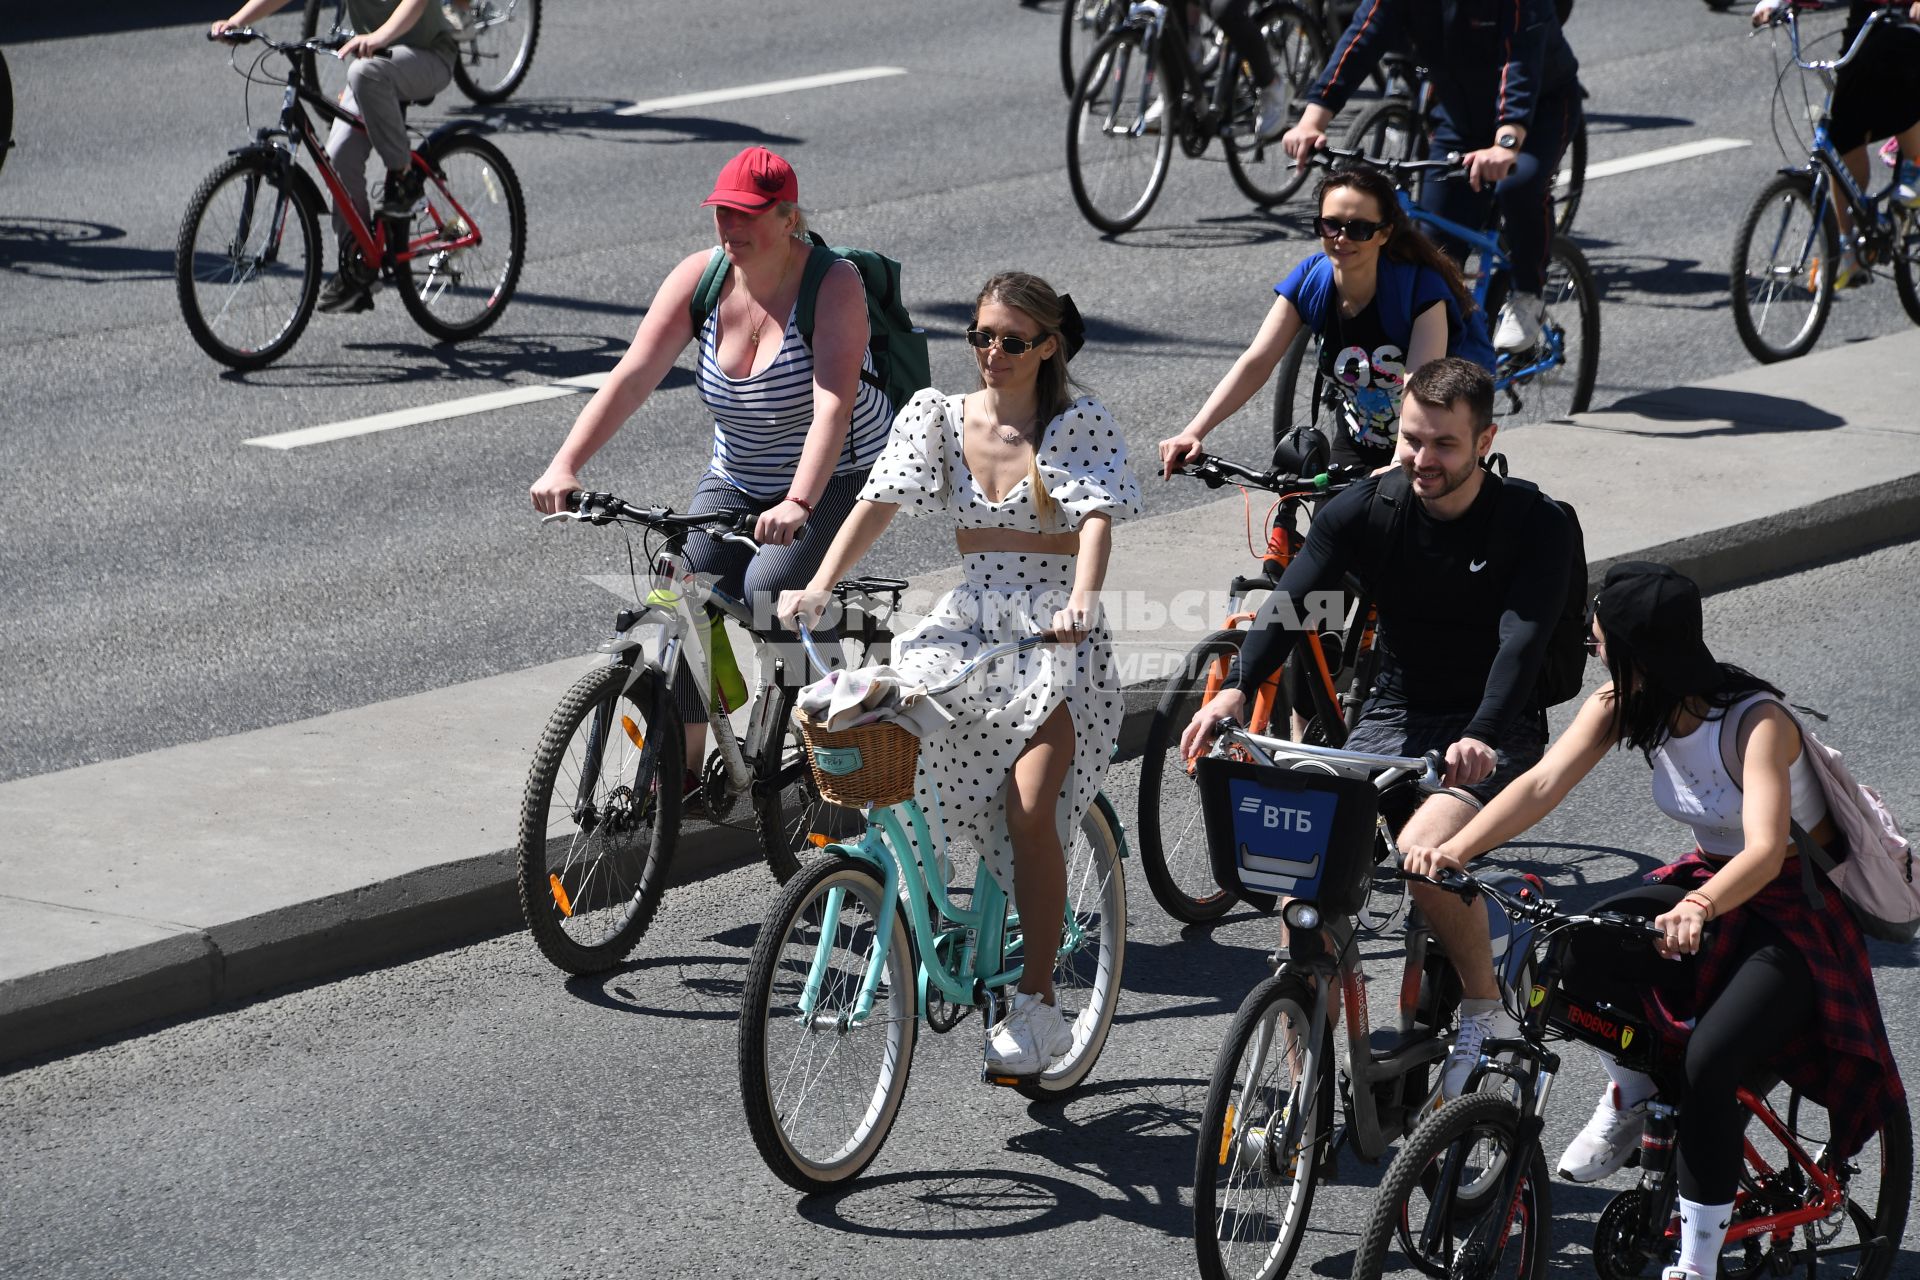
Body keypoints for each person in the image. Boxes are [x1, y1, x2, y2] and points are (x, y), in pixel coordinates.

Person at [1400, 562, 1906, 1280]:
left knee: (1709, 1066)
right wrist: (1452, 849)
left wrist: (1697, 904)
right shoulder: (1624, 703)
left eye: (1599, 637)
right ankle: (1632, 1093)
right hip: (1710, 883)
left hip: (1794, 910)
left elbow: (1764, 852)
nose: (1592, 647)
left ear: (1639, 651)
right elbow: (1542, 784)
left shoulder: (1757, 723)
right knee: (1573, 956)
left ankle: (1695, 1265)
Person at [1181, 356, 1572, 1098]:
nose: (1423, 460)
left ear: (1485, 439)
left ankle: (1485, 1011)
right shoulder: (1370, 507)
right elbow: (1292, 603)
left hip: (1495, 724)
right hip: (1393, 711)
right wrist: (1236, 690)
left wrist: (1481, 735)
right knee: (1307, 885)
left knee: (1424, 856)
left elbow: (1522, 644)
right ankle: (1302, 1095)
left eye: (1445, 446)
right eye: (1413, 440)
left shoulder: (1534, 525)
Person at [779, 272, 1140, 1076]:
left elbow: (1096, 521)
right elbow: (877, 500)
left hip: (1053, 636)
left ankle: (1040, 1004)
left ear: (1048, 346)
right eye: (981, 336)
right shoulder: (942, 417)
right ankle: (929, 891)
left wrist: (1081, 600)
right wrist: (821, 582)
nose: (992, 354)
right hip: (971, 621)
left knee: (1029, 805)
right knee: (887, 714)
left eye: (1012, 341)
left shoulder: (1073, 424)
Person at [531, 146, 893, 797]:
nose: (730, 227)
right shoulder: (703, 280)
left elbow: (833, 407)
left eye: (747, 214)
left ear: (788, 218)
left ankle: (835, 711)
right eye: (722, 212)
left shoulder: (831, 285)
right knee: (680, 593)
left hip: (840, 473)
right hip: (739, 474)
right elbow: (635, 373)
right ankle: (690, 773)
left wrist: (800, 503)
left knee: (768, 592)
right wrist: (567, 463)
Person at [1282, 0, 1582, 355]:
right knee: (1435, 252)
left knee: (1518, 186)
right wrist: (1313, 120)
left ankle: (1528, 295)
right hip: (1461, 117)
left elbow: (1519, 60)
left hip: (1539, 110)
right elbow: (1360, 39)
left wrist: (1506, 141)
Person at [1159, 164, 1493, 478]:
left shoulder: (1418, 288)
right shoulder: (1311, 280)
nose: (1341, 238)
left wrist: (1400, 462)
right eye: (1330, 224)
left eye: (1359, 229)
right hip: (1357, 441)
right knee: (1329, 535)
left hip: (1431, 448)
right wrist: (1193, 431)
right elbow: (1257, 362)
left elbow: (1419, 385)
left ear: (1384, 234)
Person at [211, 0, 458, 314]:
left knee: (365, 72)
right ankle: (359, 268)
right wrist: (237, 21)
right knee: (338, 156)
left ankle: (406, 179)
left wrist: (379, 37)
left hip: (428, 56)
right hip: (375, 63)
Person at [1752, 0, 1920, 287]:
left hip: (1907, 20)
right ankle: (1846, 244)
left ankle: (1915, 171)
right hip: (1867, 18)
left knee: (1898, 65)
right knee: (1844, 132)